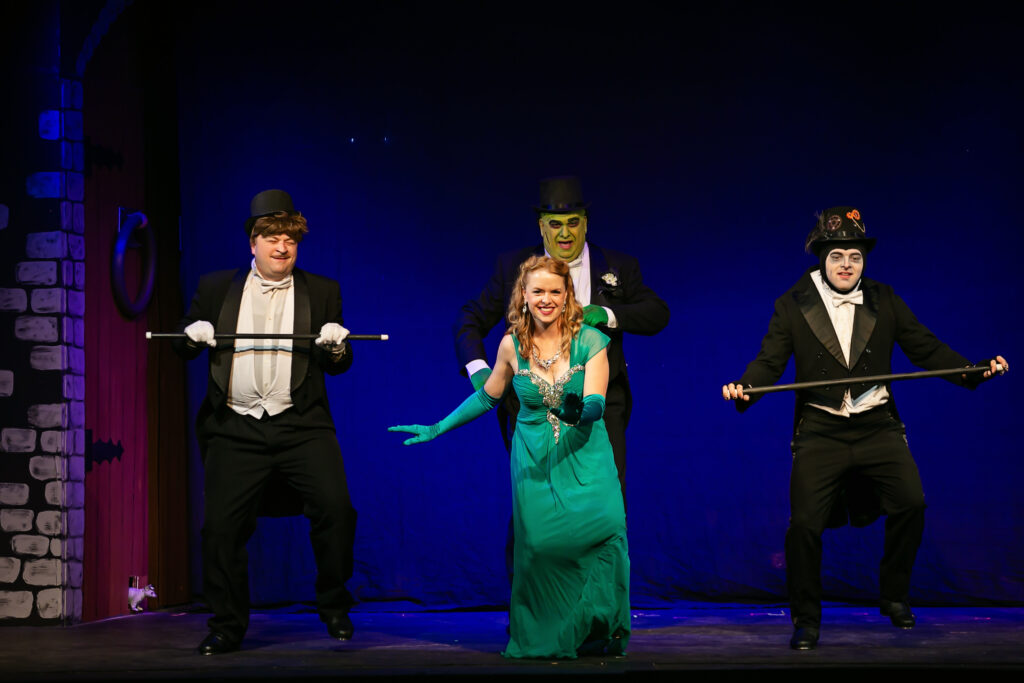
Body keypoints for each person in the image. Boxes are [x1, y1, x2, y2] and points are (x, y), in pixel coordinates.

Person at [722, 206, 1008, 651]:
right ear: (822, 257)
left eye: (855, 256)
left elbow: (925, 348)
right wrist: (747, 387)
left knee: (912, 502)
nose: (846, 265)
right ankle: (806, 619)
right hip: (821, 427)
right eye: (837, 256)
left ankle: (894, 595)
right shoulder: (793, 304)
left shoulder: (884, 299)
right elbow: (770, 361)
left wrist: (973, 370)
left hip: (877, 425)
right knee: (804, 527)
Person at [394, 256, 630, 659]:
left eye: (555, 291)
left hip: (586, 454)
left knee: (605, 532)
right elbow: (489, 396)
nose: (546, 299)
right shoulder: (511, 344)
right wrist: (437, 427)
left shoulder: (591, 341)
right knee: (538, 548)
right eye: (537, 291)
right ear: (523, 295)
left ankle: (596, 628)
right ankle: (543, 635)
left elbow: (594, 402)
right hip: (534, 457)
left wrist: (576, 411)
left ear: (567, 295)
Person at [174, 189, 359, 655]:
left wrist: (336, 344)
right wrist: (192, 335)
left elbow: (340, 364)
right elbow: (181, 344)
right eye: (271, 237)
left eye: (290, 239)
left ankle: (334, 603)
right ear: (252, 242)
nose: (282, 247)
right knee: (219, 531)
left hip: (301, 423)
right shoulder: (216, 287)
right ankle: (227, 625)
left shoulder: (322, 290)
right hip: (235, 427)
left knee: (337, 511)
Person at [455, 176, 669, 503]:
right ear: (542, 226)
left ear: (586, 223)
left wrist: (609, 314)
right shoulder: (513, 266)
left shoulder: (617, 266)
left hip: (600, 404)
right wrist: (479, 369)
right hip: (533, 406)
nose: (565, 233)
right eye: (555, 224)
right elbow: (469, 319)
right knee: (537, 506)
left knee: (603, 503)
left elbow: (657, 313)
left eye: (573, 222)